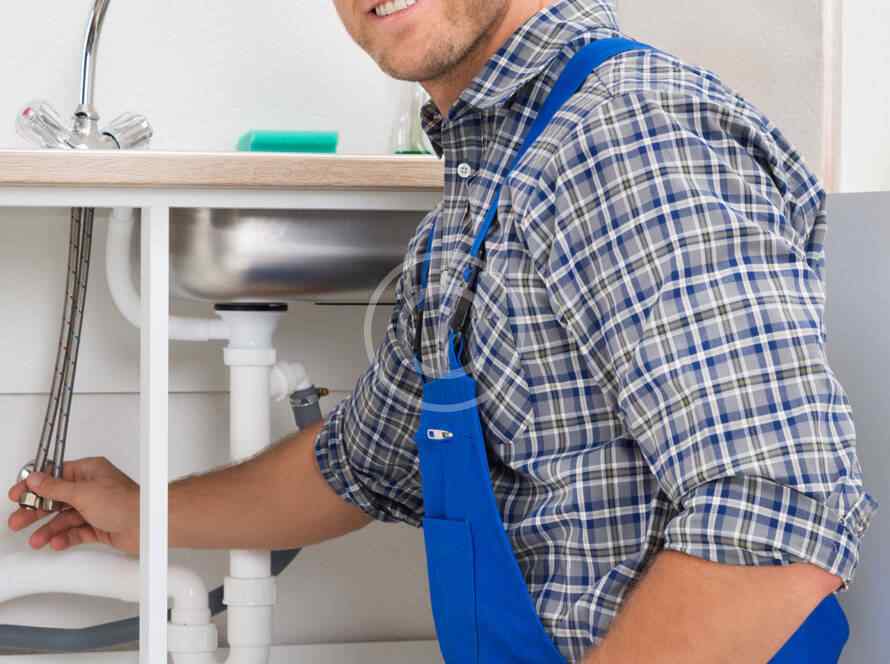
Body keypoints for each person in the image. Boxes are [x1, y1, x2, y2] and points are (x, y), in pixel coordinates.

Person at [7, 1, 876, 662]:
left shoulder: (624, 136)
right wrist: (143, 514)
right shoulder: (490, 179)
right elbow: (361, 466)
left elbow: (775, 520)